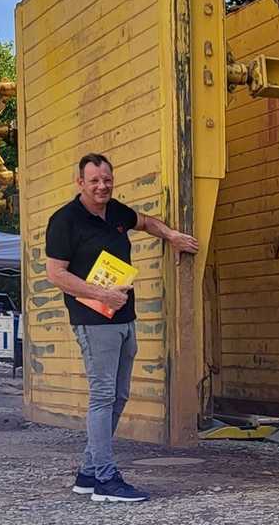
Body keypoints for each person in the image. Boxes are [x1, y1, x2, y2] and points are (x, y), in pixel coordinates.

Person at [45, 153, 199, 503]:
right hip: (94, 320)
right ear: (80, 183)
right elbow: (56, 274)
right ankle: (105, 479)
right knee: (102, 397)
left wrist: (171, 235)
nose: (102, 186)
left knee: (120, 395)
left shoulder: (115, 211)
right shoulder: (65, 220)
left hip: (124, 317)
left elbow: (145, 222)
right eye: (94, 180)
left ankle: (88, 472)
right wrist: (102, 294)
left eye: (107, 179)